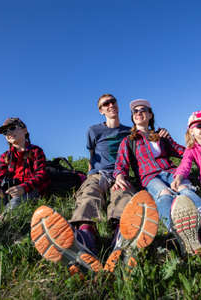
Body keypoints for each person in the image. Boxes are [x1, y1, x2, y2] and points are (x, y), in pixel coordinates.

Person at [30, 94, 159, 276]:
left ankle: (120, 240)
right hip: (99, 173)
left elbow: (147, 138)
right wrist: (90, 176)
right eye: (105, 104)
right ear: (101, 110)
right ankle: (85, 239)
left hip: (120, 174)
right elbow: (92, 157)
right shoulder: (94, 131)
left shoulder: (130, 131)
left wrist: (162, 135)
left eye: (112, 101)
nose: (110, 105)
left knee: (122, 195)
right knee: (90, 193)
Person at [112, 99, 201, 258]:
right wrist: (119, 176)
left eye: (143, 110)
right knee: (164, 194)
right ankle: (180, 233)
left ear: (150, 115)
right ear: (133, 117)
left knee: (185, 190)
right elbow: (121, 162)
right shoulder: (129, 140)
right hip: (150, 177)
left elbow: (185, 152)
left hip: (171, 172)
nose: (139, 113)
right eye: (135, 111)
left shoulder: (160, 136)